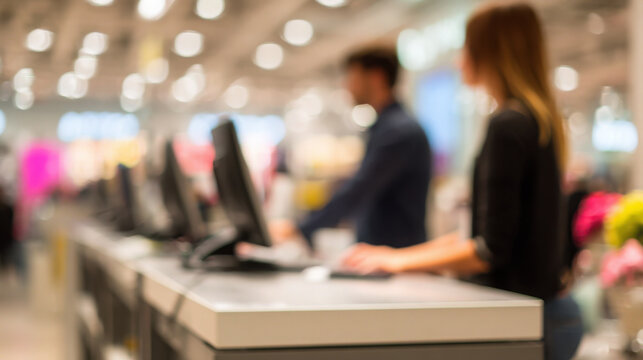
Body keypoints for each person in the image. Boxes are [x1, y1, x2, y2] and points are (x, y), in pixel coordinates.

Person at [343, 4, 582, 360]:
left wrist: (397, 262)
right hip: (544, 315)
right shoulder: (536, 122)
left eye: (467, 47)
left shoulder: (507, 126)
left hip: (526, 323)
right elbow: (480, 234)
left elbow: (489, 249)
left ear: (491, 52)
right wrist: (396, 257)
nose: (459, 60)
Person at [271, 47, 432, 249]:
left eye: (352, 77)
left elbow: (359, 189)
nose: (347, 86)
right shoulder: (384, 128)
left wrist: (300, 228)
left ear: (375, 77)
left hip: (397, 257)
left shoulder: (399, 132)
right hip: (380, 255)